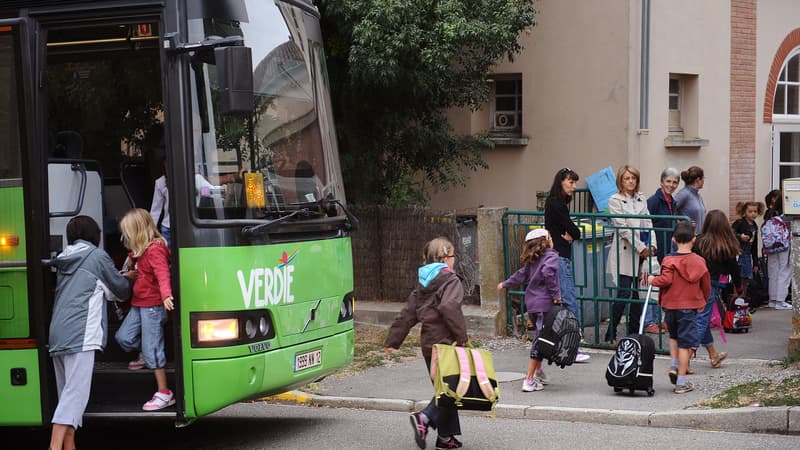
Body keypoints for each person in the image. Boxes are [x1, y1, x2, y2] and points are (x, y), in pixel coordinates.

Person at [48, 216, 134, 450]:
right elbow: (121, 290)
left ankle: (69, 446)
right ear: (94, 235)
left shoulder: (64, 257)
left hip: (57, 334)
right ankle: (54, 446)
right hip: (81, 335)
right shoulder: (96, 257)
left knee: (67, 394)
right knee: (75, 396)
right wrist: (129, 277)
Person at [384, 237, 468, 450]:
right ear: (445, 257)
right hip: (446, 343)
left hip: (428, 344)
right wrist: (462, 339)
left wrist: (394, 341)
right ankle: (425, 418)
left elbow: (408, 313)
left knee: (444, 389)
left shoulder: (424, 282)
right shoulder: (451, 280)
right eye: (453, 256)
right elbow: (450, 308)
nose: (454, 260)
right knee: (451, 388)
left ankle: (445, 437)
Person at [114, 208, 176, 411]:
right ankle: (144, 354)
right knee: (123, 337)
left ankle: (164, 392)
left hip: (153, 306)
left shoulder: (155, 249)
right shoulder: (140, 252)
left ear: (138, 232)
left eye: (128, 233)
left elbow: (162, 274)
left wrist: (166, 295)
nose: (126, 237)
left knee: (153, 350)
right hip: (139, 303)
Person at [647, 220, 710, 394]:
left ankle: (674, 364)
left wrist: (653, 280)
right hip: (688, 307)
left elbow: (665, 280)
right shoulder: (699, 262)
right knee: (685, 344)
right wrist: (702, 301)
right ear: (694, 239)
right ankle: (681, 382)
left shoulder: (668, 259)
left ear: (674, 239)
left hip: (670, 306)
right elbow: (706, 285)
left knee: (674, 337)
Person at [497, 228, 561, 392]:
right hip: (544, 305)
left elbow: (520, 275)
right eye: (550, 236)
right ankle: (529, 379)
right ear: (545, 241)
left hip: (532, 305)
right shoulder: (551, 255)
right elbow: (548, 273)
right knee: (541, 340)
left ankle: (538, 371)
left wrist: (506, 284)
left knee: (542, 337)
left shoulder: (533, 259)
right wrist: (556, 296)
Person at [604, 165, 656, 344]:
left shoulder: (641, 198)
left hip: (642, 253)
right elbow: (623, 229)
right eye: (627, 178)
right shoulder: (615, 200)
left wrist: (653, 244)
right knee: (624, 294)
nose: (631, 181)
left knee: (637, 296)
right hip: (626, 253)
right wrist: (641, 246)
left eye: (633, 178)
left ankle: (634, 334)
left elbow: (648, 223)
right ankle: (610, 335)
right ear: (621, 181)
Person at [544, 167, 590, 363]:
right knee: (569, 300)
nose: (574, 186)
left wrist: (571, 233)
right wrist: (572, 234)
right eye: (570, 182)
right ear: (561, 182)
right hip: (560, 256)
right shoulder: (559, 206)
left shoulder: (552, 202)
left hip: (552, 254)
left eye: (574, 182)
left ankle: (553, 342)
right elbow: (575, 231)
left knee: (555, 300)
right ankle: (573, 346)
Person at [694, 209, 740, 368]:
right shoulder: (726, 243)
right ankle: (683, 358)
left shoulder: (698, 241)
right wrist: (739, 287)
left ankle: (713, 355)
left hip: (694, 283)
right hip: (712, 285)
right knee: (702, 320)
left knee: (701, 319)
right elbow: (734, 268)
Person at [645, 167, 681, 333]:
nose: (671, 185)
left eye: (675, 182)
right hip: (655, 249)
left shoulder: (672, 201)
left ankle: (660, 319)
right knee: (652, 285)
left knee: (663, 284)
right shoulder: (654, 201)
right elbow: (645, 224)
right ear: (661, 182)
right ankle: (649, 321)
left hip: (668, 250)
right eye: (668, 181)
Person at [762, 191, 793, 310]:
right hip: (784, 244)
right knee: (784, 270)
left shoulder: (769, 214)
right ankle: (781, 300)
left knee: (773, 271)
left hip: (771, 246)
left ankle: (773, 299)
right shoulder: (787, 216)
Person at [731, 201, 765, 298]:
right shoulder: (739, 223)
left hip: (747, 255)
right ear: (744, 212)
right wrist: (739, 236)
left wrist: (755, 262)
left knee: (746, 279)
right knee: (739, 279)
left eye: (755, 211)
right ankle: (736, 300)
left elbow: (754, 246)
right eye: (750, 211)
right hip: (739, 253)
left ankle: (743, 299)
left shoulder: (754, 226)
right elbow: (730, 233)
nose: (753, 214)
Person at [674, 166, 706, 234]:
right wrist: (683, 224)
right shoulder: (683, 194)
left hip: (698, 238)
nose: (704, 181)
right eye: (703, 178)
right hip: (687, 238)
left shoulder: (698, 196)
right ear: (698, 180)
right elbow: (671, 211)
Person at [150, 157, 170, 246]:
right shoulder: (160, 182)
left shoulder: (191, 178)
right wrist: (150, 232)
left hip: (185, 226)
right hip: (167, 228)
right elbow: (155, 210)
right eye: (166, 164)